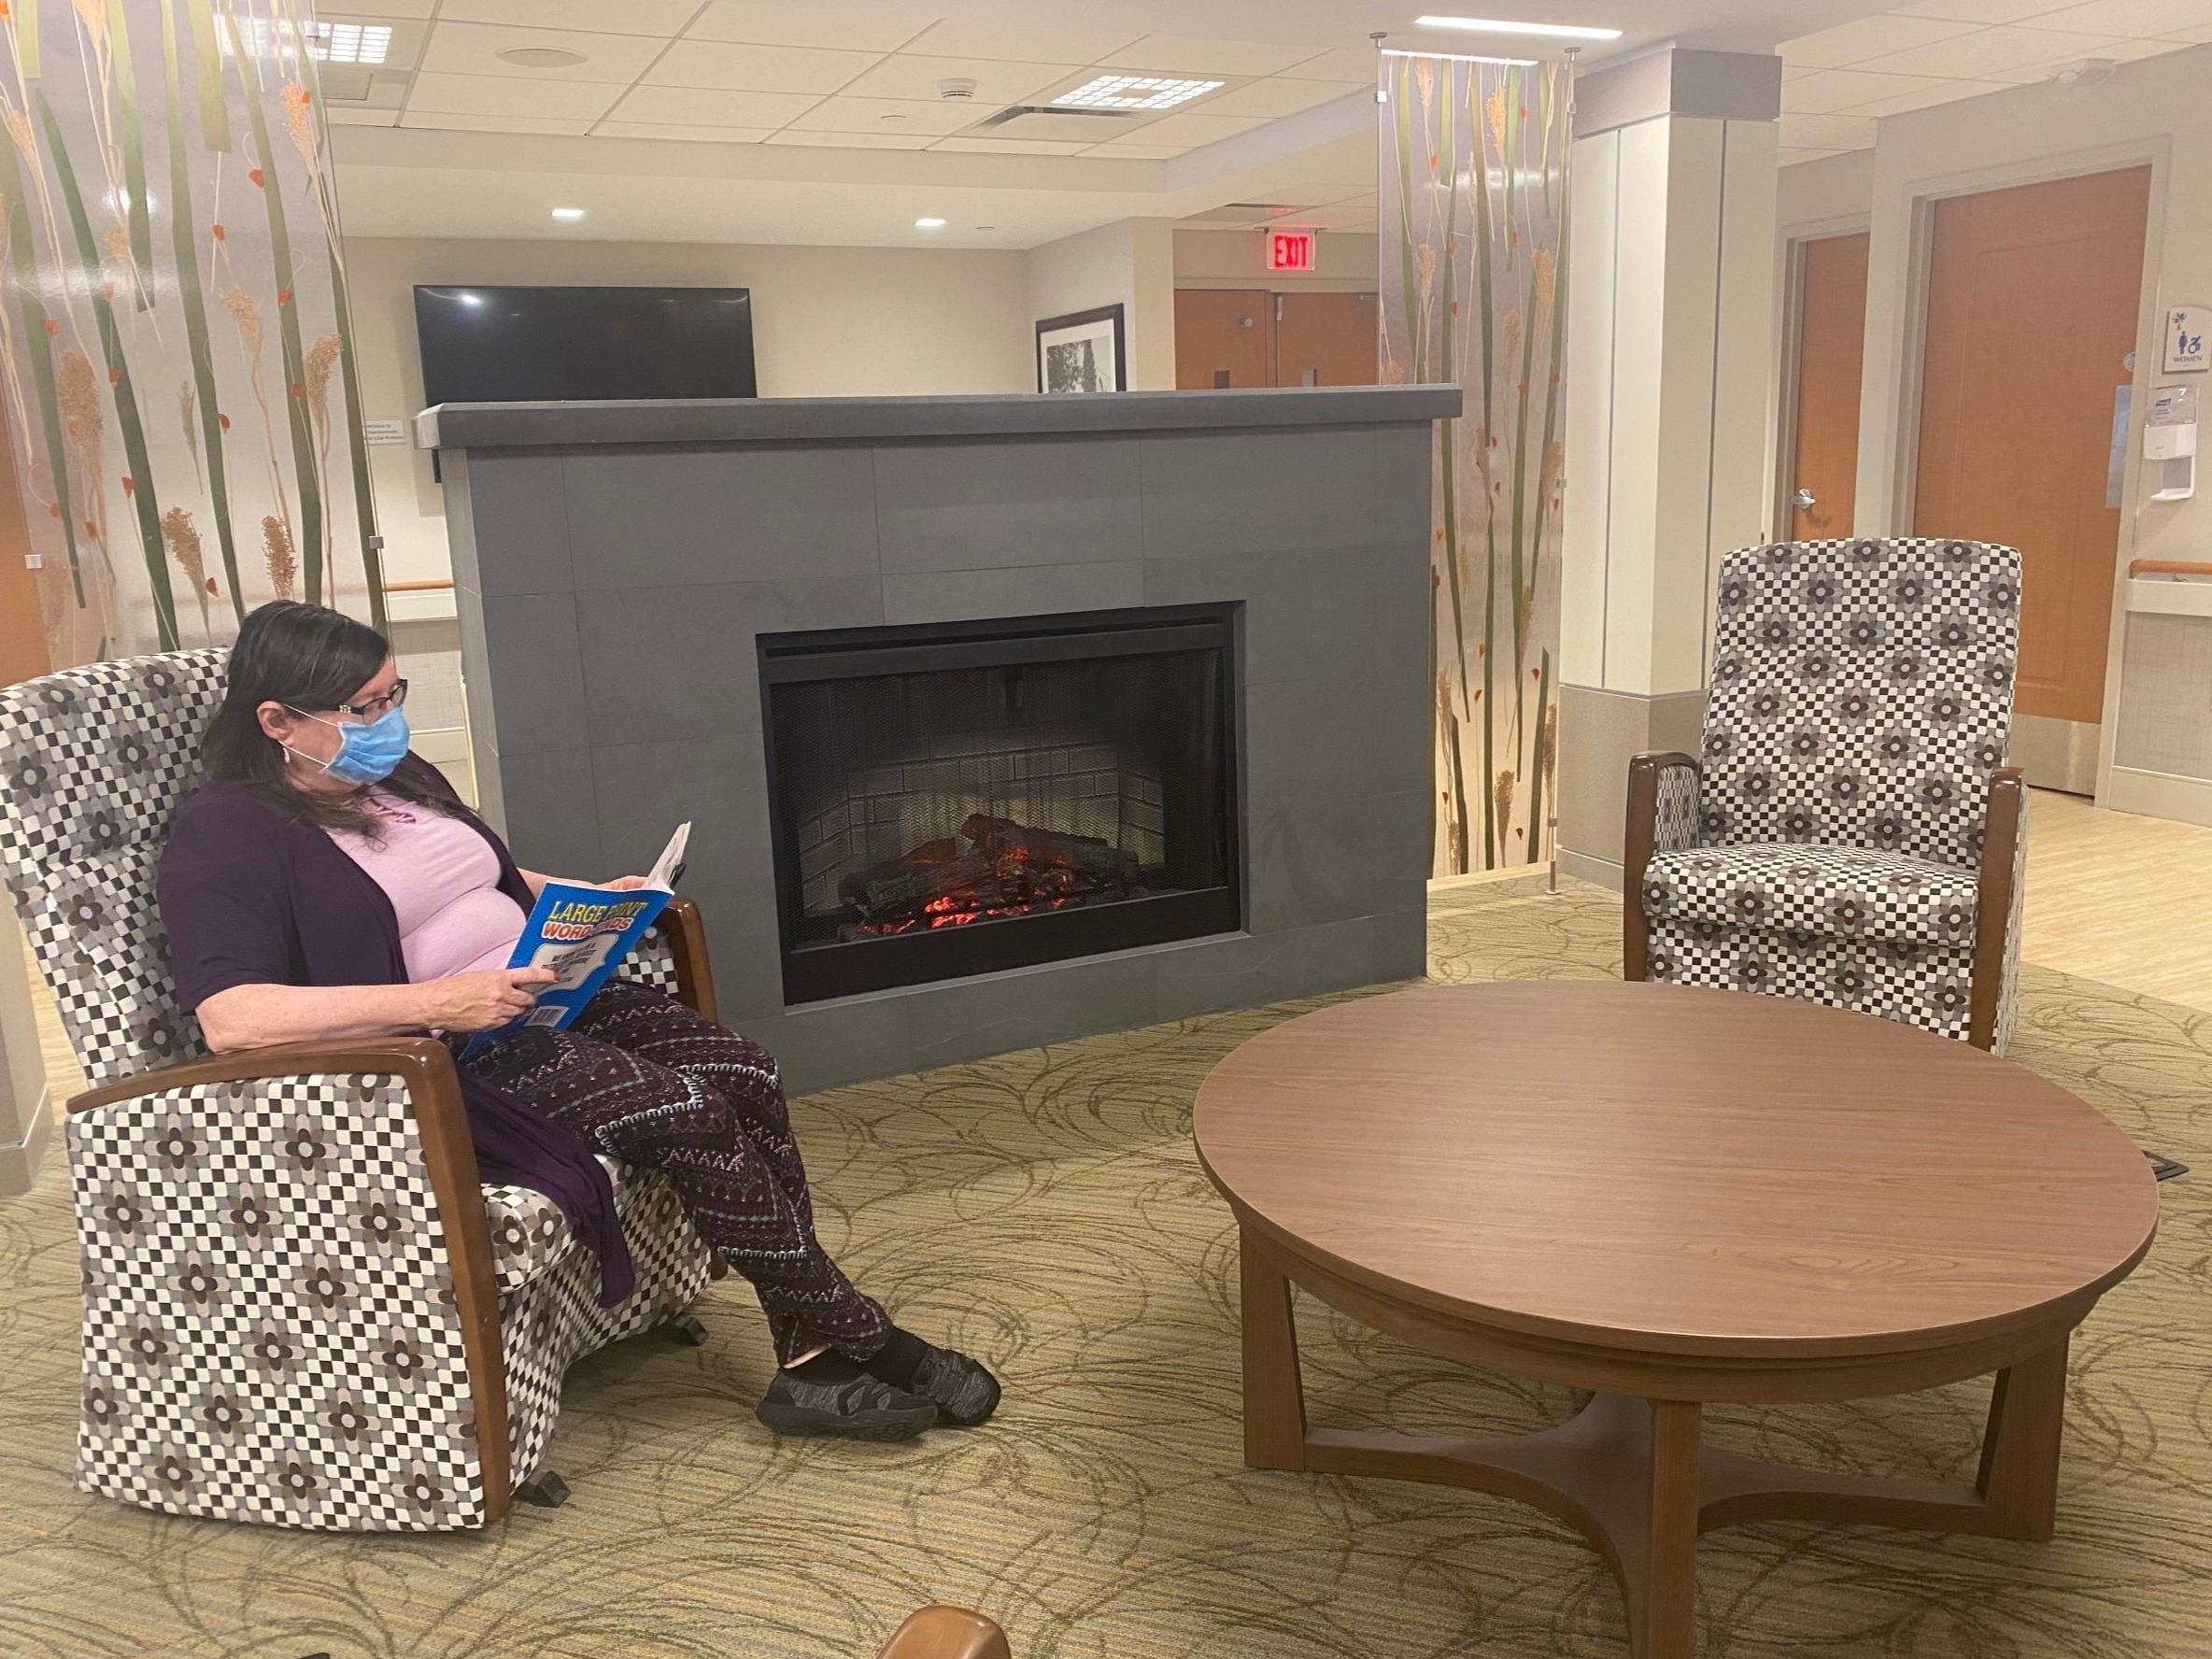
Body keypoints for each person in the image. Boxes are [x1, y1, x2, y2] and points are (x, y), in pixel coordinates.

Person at [158, 601, 999, 1441]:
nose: (390, 721)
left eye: (393, 694)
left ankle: (807, 1359)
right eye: (365, 708)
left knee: (745, 1069)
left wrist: (596, 899)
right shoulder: (226, 834)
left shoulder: (395, 774)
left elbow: (481, 874)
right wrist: (436, 1004)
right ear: (277, 721)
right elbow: (233, 1017)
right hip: (456, 1047)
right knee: (688, 1114)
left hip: (547, 991)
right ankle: (864, 1335)